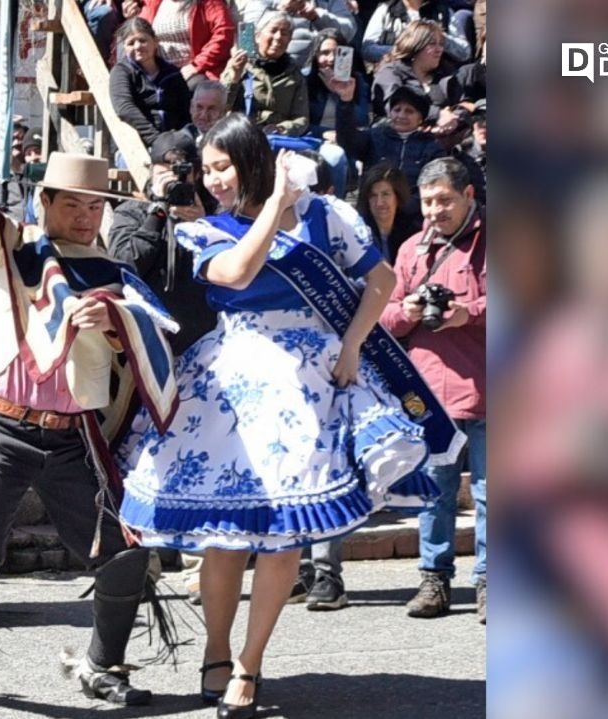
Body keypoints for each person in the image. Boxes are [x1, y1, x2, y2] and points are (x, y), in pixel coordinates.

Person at [117, 114, 435, 718]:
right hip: (229, 378)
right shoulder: (204, 230)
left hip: (307, 380)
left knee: (285, 532)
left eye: (222, 166)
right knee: (225, 537)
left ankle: (250, 663)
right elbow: (236, 272)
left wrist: (351, 345)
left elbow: (383, 280)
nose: (212, 180)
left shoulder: (325, 216)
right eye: (206, 169)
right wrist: (275, 206)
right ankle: (215, 647)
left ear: (253, 160)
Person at [0, 58, 180, 705]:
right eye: (70, 202)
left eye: (92, 205)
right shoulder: (13, 251)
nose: (82, 214)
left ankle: (103, 665)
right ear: (44, 203)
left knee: (123, 555)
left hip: (72, 435)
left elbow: (138, 353)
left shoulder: (111, 274)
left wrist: (112, 329)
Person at [379, 157, 485, 622]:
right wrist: (408, 308)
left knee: (491, 493)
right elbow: (383, 320)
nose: (435, 211)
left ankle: (490, 583)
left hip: (488, 385)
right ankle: (434, 581)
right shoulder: (410, 250)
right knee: (435, 492)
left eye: (444, 200)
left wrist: (469, 313)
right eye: (427, 202)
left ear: (469, 197)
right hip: (430, 395)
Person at [108, 129, 219, 354]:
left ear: (196, 174)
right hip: (146, 342)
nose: (172, 177)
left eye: (180, 171)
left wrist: (204, 227)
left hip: (204, 344)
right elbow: (124, 265)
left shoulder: (214, 215)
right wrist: (156, 215)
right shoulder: (131, 213)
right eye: (164, 169)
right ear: (151, 171)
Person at [366, 85, 446, 226]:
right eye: (397, 110)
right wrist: (345, 102)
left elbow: (431, 185)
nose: (401, 115)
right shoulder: (375, 136)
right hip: (373, 211)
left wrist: (398, 205)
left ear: (420, 118)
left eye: (409, 111)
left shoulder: (432, 147)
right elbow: (348, 140)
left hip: (411, 218)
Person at [221, 12, 310, 137]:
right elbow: (221, 106)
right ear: (257, 36)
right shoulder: (240, 65)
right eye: (273, 31)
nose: (278, 37)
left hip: (278, 138)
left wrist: (281, 129)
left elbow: (301, 118)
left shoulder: (294, 73)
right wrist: (235, 76)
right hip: (243, 136)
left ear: (289, 40)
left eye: (284, 33)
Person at [109, 18, 193, 147]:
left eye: (143, 40)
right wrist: (156, 139)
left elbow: (185, 109)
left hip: (175, 139)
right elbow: (124, 108)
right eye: (131, 43)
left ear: (155, 41)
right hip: (139, 143)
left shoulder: (172, 73)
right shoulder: (122, 72)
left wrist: (183, 136)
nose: (137, 46)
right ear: (124, 47)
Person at [369, 19, 465, 130]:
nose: (439, 49)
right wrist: (437, 115)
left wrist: (453, 120)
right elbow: (394, 107)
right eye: (432, 44)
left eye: (441, 44)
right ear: (415, 46)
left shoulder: (446, 73)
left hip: (444, 138)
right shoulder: (390, 72)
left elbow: (463, 104)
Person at [306, 29, 363, 198]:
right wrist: (323, 132)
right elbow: (301, 121)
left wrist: (342, 95)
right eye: (324, 53)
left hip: (347, 137)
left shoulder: (356, 81)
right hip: (317, 138)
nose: (331, 59)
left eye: (337, 53)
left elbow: (360, 118)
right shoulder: (305, 81)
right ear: (316, 56)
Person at [134, 0, 236, 87]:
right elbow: (139, 31)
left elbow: (224, 34)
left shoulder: (209, 2)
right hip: (158, 70)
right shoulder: (153, 3)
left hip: (197, 73)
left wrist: (195, 66)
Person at [241, 0, 358, 70]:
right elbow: (245, 40)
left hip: (318, 74)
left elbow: (349, 31)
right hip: (270, 69)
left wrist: (317, 16)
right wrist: (280, 12)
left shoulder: (330, 2)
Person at [360, 0, 474, 65]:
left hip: (437, 77)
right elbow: (367, 49)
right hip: (396, 72)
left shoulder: (443, 12)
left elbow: (464, 53)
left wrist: (438, 37)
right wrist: (403, 51)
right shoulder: (386, 10)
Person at [354, 161, 419, 264]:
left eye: (385, 194)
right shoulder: (357, 233)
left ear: (397, 197)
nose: (379, 202)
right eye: (373, 196)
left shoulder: (413, 231)